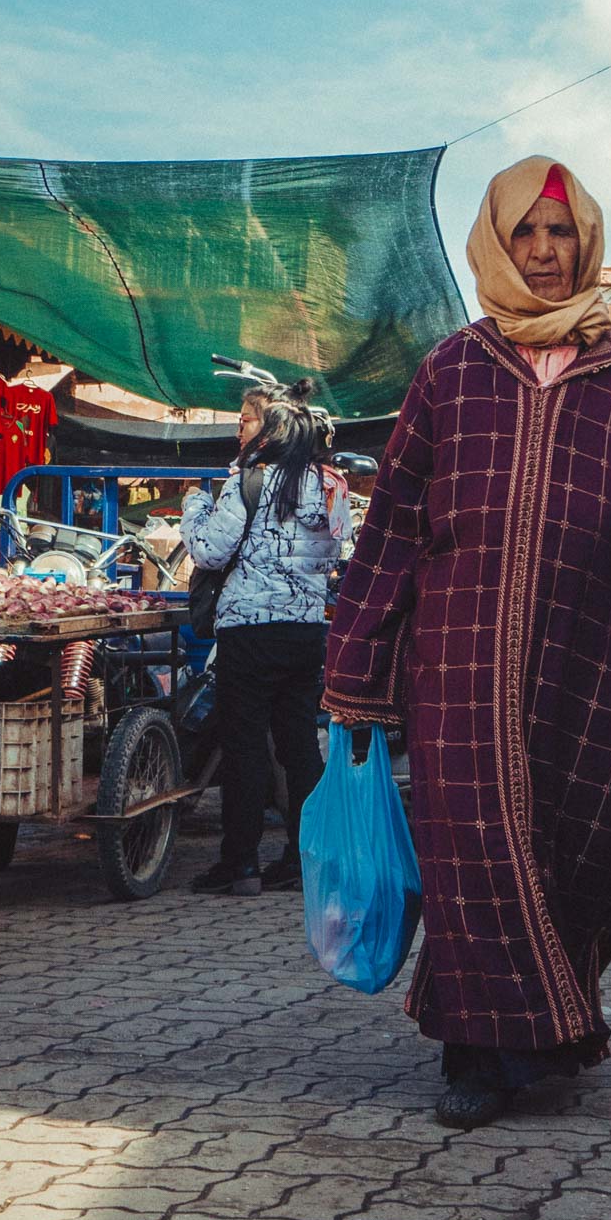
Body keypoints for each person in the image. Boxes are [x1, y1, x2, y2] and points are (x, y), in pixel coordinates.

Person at [323, 156, 611, 1130]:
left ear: (585, 243)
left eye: (560, 233)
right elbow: (392, 521)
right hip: (459, 663)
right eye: (525, 232)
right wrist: (355, 663)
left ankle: (554, 1023)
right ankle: (472, 1051)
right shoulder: (449, 371)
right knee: (474, 848)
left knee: (596, 852)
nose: (544, 251)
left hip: (593, 662)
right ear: (497, 242)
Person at [181, 380, 351, 896]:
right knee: (300, 746)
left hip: (250, 631)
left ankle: (240, 864)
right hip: (306, 631)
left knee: (246, 746)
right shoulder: (332, 485)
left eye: (246, 424)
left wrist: (193, 506)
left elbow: (210, 551)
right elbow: (334, 550)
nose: (240, 435)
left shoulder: (248, 482)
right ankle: (304, 860)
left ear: (271, 430)